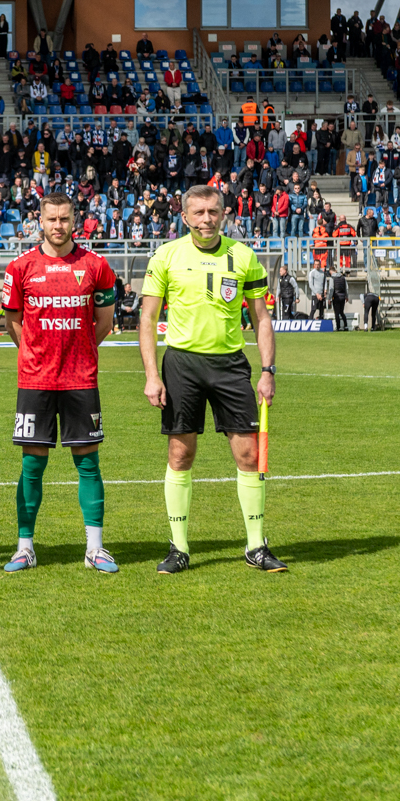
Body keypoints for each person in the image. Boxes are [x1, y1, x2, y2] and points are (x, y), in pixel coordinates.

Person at [137, 185, 284, 574]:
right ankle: (179, 548)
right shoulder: (166, 255)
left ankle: (256, 546)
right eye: (199, 213)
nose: (206, 219)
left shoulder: (244, 256)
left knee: (249, 455)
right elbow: (147, 319)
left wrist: (267, 370)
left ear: (224, 214)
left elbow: (262, 318)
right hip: (181, 364)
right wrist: (152, 375)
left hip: (230, 366)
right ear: (185, 216)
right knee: (180, 455)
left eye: (213, 212)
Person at [1, 193, 120, 574]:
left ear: (75, 220)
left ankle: (95, 548)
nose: (58, 225)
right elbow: (13, 323)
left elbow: (104, 322)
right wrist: (36, 353)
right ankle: (24, 548)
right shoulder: (20, 267)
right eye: (51, 219)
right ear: (40, 220)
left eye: (64, 219)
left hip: (79, 379)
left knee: (88, 462)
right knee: (32, 464)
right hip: (35, 380)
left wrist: (80, 351)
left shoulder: (96, 266)